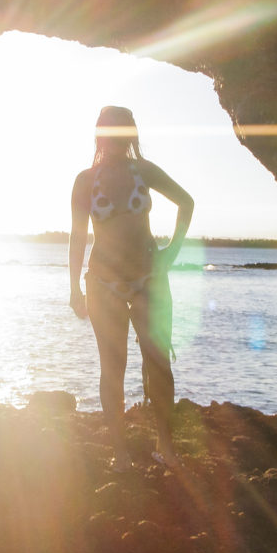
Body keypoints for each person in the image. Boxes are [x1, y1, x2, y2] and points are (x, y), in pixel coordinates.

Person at [69, 106, 194, 471]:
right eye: (107, 131)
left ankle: (166, 448)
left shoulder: (145, 171)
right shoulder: (84, 180)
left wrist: (171, 251)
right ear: (98, 135)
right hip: (103, 283)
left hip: (150, 280)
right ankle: (120, 454)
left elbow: (186, 202)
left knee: (159, 366)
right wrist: (74, 287)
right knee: (113, 368)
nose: (114, 137)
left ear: (131, 134)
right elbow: (78, 238)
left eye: (122, 130)